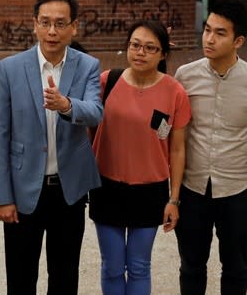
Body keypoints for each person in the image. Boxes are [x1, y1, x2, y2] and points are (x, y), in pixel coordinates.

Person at [0, 0, 103, 295]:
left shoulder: (88, 65)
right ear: (34, 25)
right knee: (21, 275)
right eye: (46, 22)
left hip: (68, 190)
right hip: (24, 188)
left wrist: (66, 105)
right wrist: (2, 196)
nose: (52, 31)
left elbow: (95, 113)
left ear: (73, 27)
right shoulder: (10, 68)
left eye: (61, 23)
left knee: (65, 275)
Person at [174, 0, 247, 294]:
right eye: (207, 30)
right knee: (191, 265)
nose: (209, 38)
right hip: (193, 189)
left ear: (238, 41)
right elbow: (179, 129)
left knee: (236, 267)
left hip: (238, 190)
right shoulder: (185, 75)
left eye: (220, 33)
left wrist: (237, 156)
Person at [90, 20, 191, 295]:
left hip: (150, 190)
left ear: (162, 54)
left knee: (138, 266)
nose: (140, 52)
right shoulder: (106, 81)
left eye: (150, 48)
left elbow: (178, 149)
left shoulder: (175, 92)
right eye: (135, 45)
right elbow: (88, 131)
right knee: (111, 265)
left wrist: (174, 199)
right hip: (106, 186)